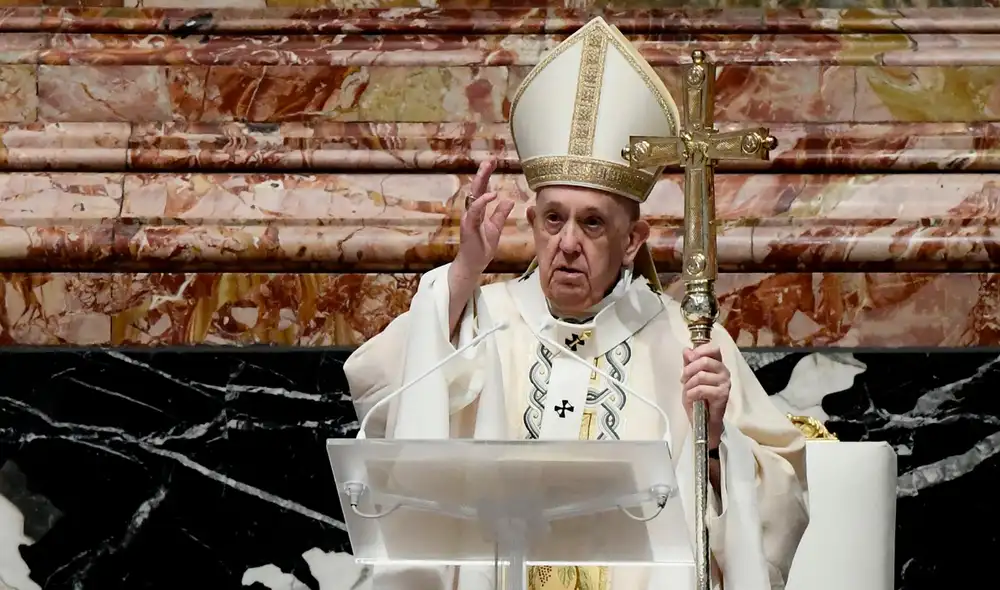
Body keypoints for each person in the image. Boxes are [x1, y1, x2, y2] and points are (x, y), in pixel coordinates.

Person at [344, 16, 809, 590]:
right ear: (533, 223)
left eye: (592, 223)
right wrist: (464, 271)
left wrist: (714, 448)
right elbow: (382, 399)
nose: (566, 244)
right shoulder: (484, 319)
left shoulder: (684, 339)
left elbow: (778, 491)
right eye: (553, 218)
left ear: (632, 240)